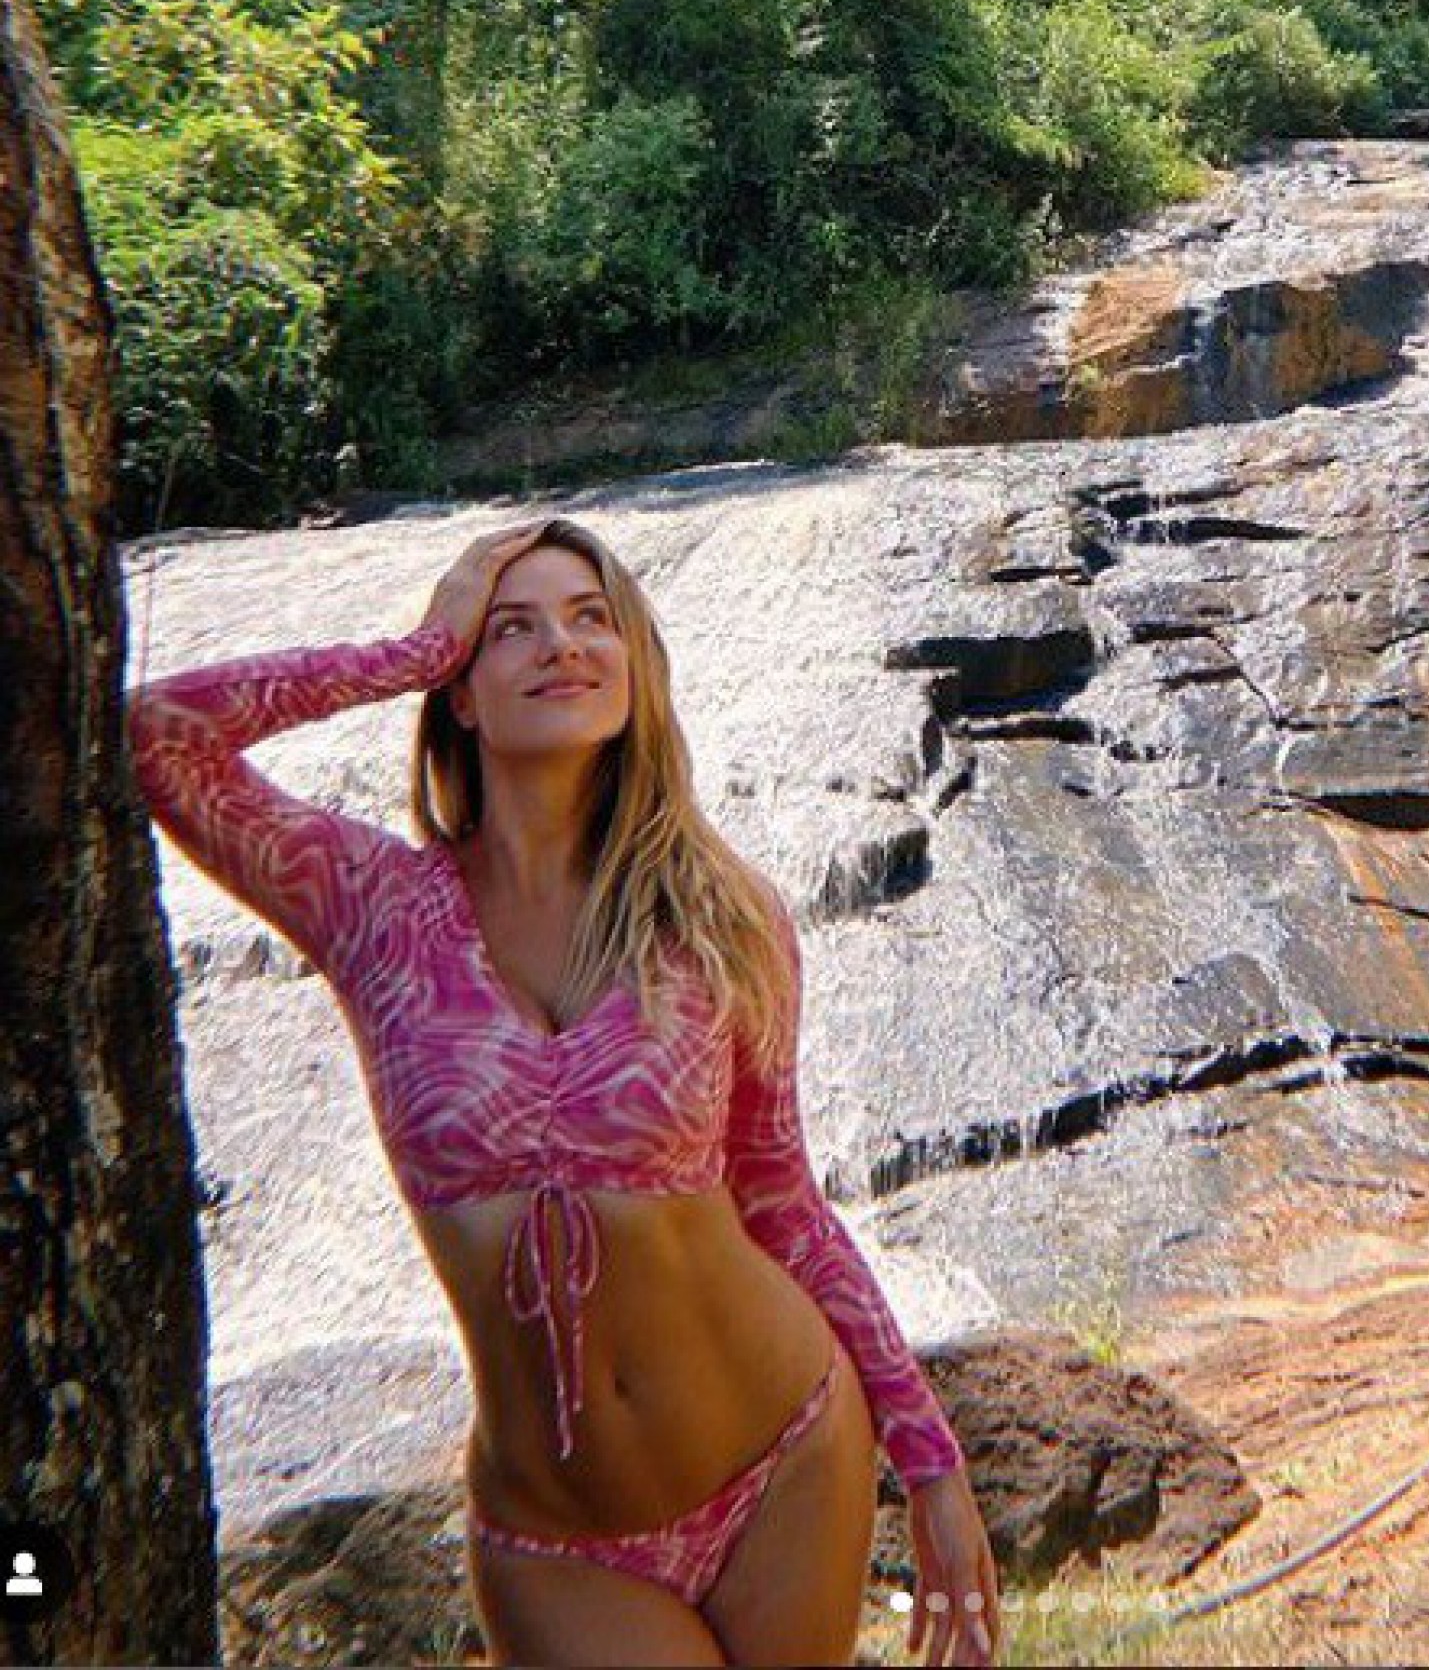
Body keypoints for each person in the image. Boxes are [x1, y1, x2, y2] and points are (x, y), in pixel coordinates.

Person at [127, 517, 1001, 1669]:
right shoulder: (371, 906)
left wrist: (930, 1460)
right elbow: (162, 736)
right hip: (557, 1540)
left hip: (785, 1452)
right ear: (462, 693)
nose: (563, 644)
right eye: (512, 626)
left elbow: (782, 1201)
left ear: (635, 669)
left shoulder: (722, 916)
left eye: (594, 618)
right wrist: (409, 648)